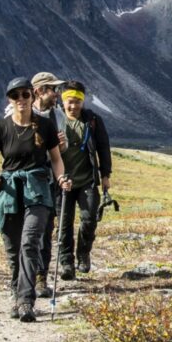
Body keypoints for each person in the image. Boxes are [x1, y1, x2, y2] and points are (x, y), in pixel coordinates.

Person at [0, 77, 72, 322]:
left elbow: (55, 158)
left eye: (24, 94)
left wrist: (62, 178)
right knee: (12, 249)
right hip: (9, 192)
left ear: (32, 96)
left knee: (30, 243)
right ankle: (16, 293)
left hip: (38, 190)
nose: (20, 99)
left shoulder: (44, 126)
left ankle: (25, 301)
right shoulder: (1, 128)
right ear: (10, 99)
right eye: (15, 96)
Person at [3, 72, 68, 298]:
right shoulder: (17, 113)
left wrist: (62, 146)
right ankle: (20, 280)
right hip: (23, 182)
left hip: (48, 180)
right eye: (52, 89)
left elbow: (60, 152)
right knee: (23, 233)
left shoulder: (58, 115)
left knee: (45, 230)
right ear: (39, 91)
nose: (57, 94)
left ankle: (40, 277)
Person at [56, 80, 112, 280]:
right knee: (64, 223)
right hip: (62, 182)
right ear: (63, 101)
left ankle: (83, 254)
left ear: (83, 101)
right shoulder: (55, 120)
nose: (73, 106)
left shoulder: (93, 120)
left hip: (87, 180)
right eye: (70, 102)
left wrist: (105, 175)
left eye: (77, 102)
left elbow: (103, 148)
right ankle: (66, 263)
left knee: (89, 219)